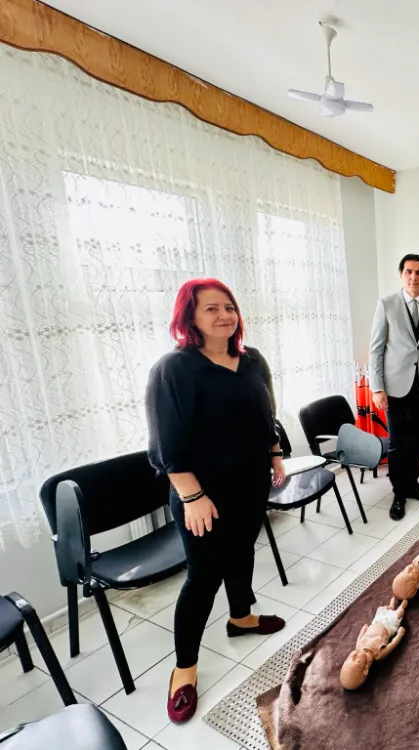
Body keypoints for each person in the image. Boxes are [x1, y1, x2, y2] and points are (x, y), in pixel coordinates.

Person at [146, 279, 287, 724]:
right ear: (189, 316)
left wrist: (275, 454)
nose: (225, 315)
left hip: (251, 483)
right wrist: (192, 496)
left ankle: (241, 617)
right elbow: (164, 443)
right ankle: (184, 670)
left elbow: (266, 413)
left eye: (229, 307)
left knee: (243, 552)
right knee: (203, 577)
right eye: (211, 309)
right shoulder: (174, 369)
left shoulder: (252, 359)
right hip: (201, 494)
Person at [370, 254, 419, 520]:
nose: (414, 277)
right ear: (401, 275)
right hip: (394, 387)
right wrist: (377, 388)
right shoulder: (387, 304)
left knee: (417, 440)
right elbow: (376, 349)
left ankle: (413, 484)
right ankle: (399, 492)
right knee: (397, 442)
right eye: (408, 272)